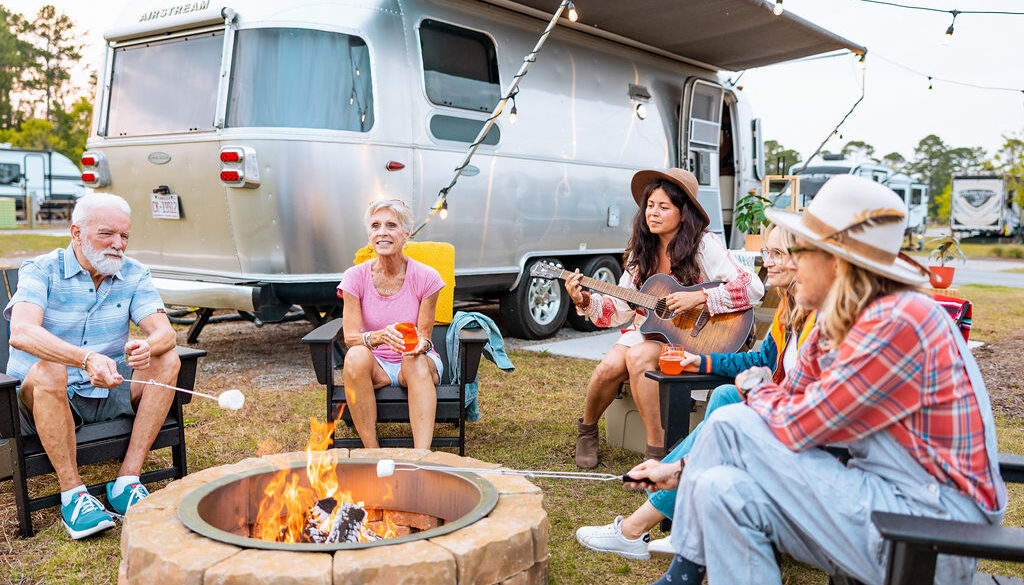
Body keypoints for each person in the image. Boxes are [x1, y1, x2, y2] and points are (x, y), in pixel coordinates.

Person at [629, 175, 1006, 585]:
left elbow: (796, 426)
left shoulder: (899, 320)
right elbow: (787, 408)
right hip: (877, 500)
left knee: (733, 418)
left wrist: (756, 385)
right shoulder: (833, 323)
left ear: (836, 261)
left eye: (799, 251)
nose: (787, 263)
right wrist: (692, 465)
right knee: (719, 488)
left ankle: (676, 574)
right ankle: (681, 568)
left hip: (933, 529)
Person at [575, 223, 817, 560]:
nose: (767, 262)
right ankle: (682, 516)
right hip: (781, 404)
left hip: (799, 422)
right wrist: (699, 361)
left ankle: (638, 528)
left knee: (729, 413)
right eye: (766, 253)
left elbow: (750, 290)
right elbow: (764, 359)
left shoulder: (821, 316)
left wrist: (699, 298)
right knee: (722, 397)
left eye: (777, 254)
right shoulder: (790, 306)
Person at [5, 192, 181, 539]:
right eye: (107, 233)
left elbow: (165, 332)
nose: (118, 244)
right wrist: (85, 359)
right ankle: (74, 496)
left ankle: (127, 482)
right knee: (51, 367)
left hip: (108, 388)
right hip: (44, 399)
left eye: (124, 236)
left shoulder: (134, 274)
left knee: (168, 359)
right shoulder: (42, 270)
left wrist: (147, 346)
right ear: (76, 233)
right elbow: (22, 332)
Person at [565, 168, 763, 468]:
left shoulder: (703, 245)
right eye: (650, 205)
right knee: (608, 367)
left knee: (639, 358)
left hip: (696, 335)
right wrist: (584, 299)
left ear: (683, 213)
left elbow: (753, 287)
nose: (652, 213)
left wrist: (698, 297)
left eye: (663, 207)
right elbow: (619, 308)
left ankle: (656, 452)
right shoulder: (640, 251)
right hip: (652, 330)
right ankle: (588, 431)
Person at [337, 199, 445, 449]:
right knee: (354, 356)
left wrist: (418, 346)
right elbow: (350, 337)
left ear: (405, 234)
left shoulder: (427, 277)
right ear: (369, 234)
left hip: (417, 363)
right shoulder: (354, 277)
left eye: (391, 225)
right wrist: (380, 337)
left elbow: (426, 337)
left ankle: (421, 455)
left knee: (414, 360)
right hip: (377, 367)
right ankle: (372, 451)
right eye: (375, 226)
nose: (382, 232)